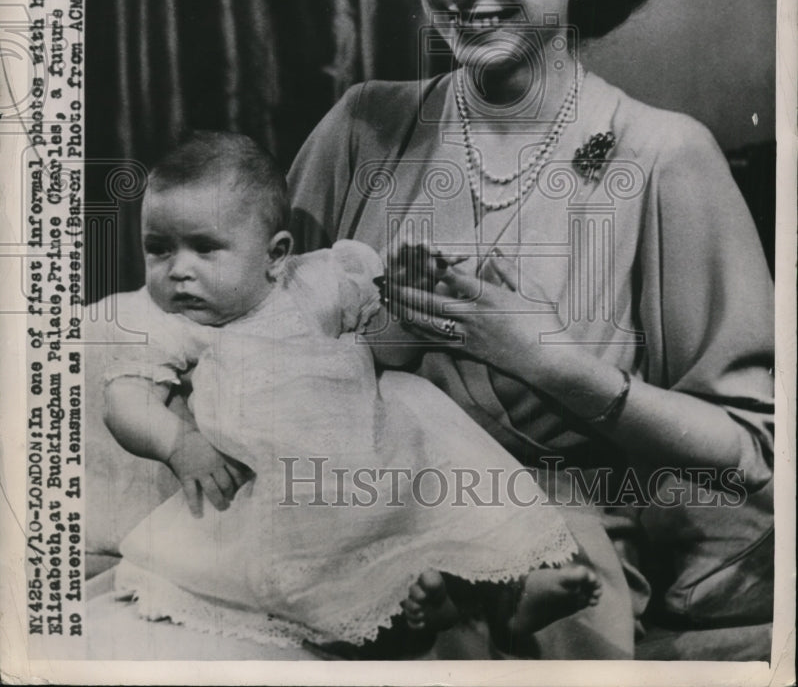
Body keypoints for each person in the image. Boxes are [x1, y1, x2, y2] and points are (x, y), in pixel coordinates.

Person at [287, 0, 775, 657]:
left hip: (545, 581)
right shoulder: (363, 125)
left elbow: (749, 455)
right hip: (333, 536)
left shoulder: (664, 157)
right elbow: (256, 334)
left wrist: (547, 362)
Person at [100, 130, 608, 656]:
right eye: (158, 250)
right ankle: (429, 615)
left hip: (380, 455)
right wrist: (180, 443)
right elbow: (125, 400)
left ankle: (509, 592)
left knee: (457, 510)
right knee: (324, 584)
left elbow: (387, 351)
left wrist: (408, 301)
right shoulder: (173, 323)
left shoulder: (315, 283)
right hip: (280, 486)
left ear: (275, 254)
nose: (178, 270)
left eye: (205, 248)